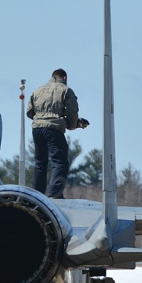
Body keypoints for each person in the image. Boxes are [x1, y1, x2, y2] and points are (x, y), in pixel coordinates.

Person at [26, 68, 89, 199]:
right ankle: (55, 194)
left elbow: (29, 111)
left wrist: (41, 119)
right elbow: (72, 112)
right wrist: (72, 125)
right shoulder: (66, 90)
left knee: (40, 162)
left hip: (37, 129)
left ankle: (36, 195)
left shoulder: (38, 90)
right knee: (60, 162)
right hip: (53, 130)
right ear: (64, 78)